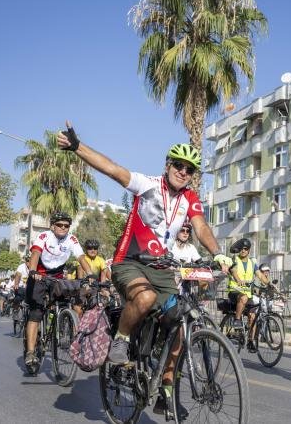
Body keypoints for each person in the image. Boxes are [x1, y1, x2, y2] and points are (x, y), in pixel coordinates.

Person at [55, 122, 231, 419]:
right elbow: (112, 169)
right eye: (179, 165)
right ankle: (121, 341)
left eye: (190, 170)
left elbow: (200, 227)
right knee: (145, 299)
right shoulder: (147, 184)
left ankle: (165, 389)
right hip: (130, 262)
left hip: (163, 268)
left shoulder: (190, 199)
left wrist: (218, 254)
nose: (183, 172)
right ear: (167, 165)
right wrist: (77, 147)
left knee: (179, 323)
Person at [20, 211, 92, 368]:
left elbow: (81, 258)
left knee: (63, 302)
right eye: (60, 225)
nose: (63, 228)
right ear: (53, 226)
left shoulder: (72, 239)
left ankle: (58, 323)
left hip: (57, 277)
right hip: (39, 275)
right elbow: (36, 253)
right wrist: (33, 271)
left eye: (66, 226)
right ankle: (30, 352)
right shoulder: (44, 236)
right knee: (36, 313)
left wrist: (91, 274)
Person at [227, 238, 270, 352]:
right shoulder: (235, 259)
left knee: (253, 315)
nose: (243, 250)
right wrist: (238, 280)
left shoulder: (252, 263)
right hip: (234, 290)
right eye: (241, 248)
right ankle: (237, 320)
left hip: (246, 293)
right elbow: (234, 271)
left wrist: (269, 284)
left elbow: (260, 276)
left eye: (245, 249)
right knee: (244, 297)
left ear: (249, 250)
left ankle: (250, 340)